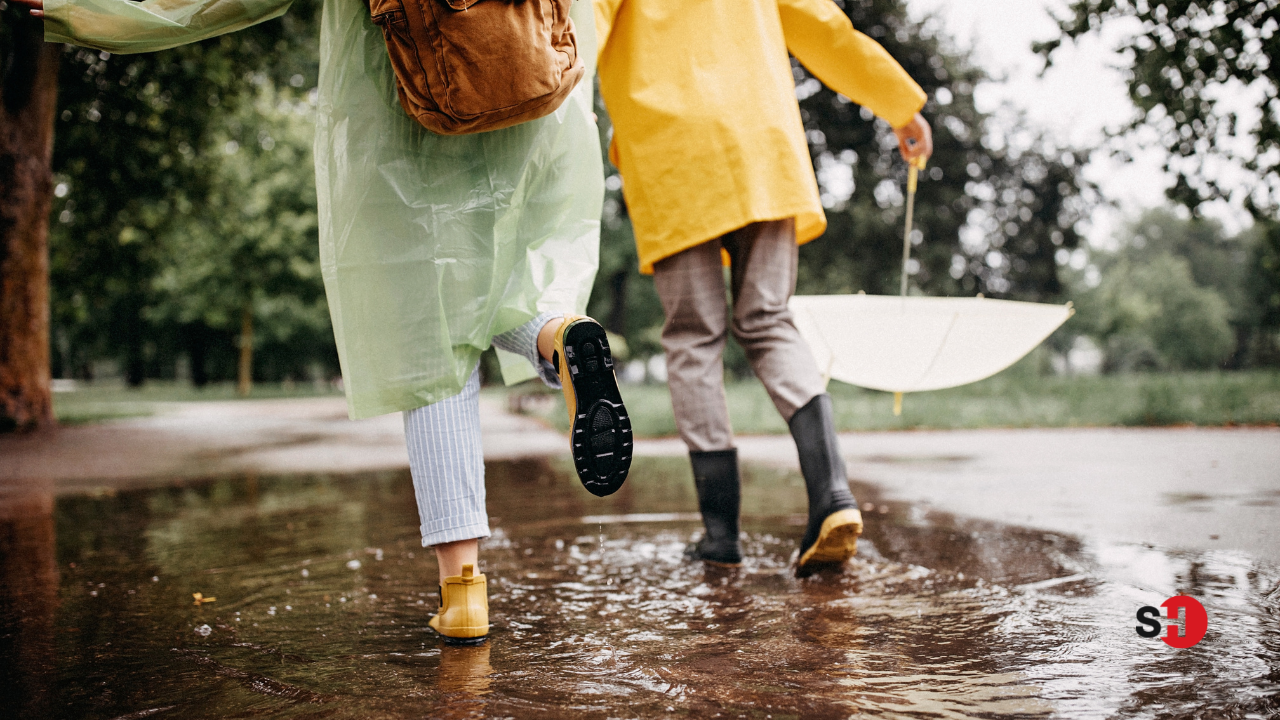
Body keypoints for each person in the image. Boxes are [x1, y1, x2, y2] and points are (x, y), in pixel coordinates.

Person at [20, 0, 631, 643]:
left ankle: (464, 596)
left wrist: (86, 9)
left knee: (430, 334)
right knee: (513, 279)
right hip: (537, 87)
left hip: (409, 106)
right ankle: (556, 338)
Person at [592, 0, 932, 573]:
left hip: (670, 151)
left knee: (694, 337)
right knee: (769, 319)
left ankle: (720, 535)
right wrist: (900, 106)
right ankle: (832, 495)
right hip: (761, 144)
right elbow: (823, 27)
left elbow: (574, 32)